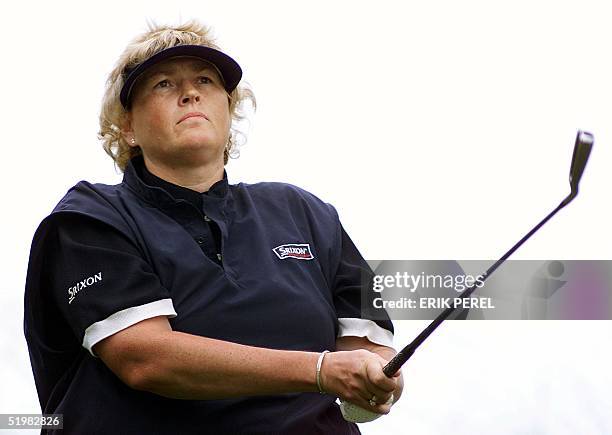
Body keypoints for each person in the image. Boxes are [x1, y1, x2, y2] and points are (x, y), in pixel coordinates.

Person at [24, 20, 403, 434]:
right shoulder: (87, 218)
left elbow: (367, 345)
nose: (190, 93)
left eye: (205, 80)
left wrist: (371, 379)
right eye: (164, 84)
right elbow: (146, 359)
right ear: (128, 127)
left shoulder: (309, 213)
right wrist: (319, 369)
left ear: (228, 110)